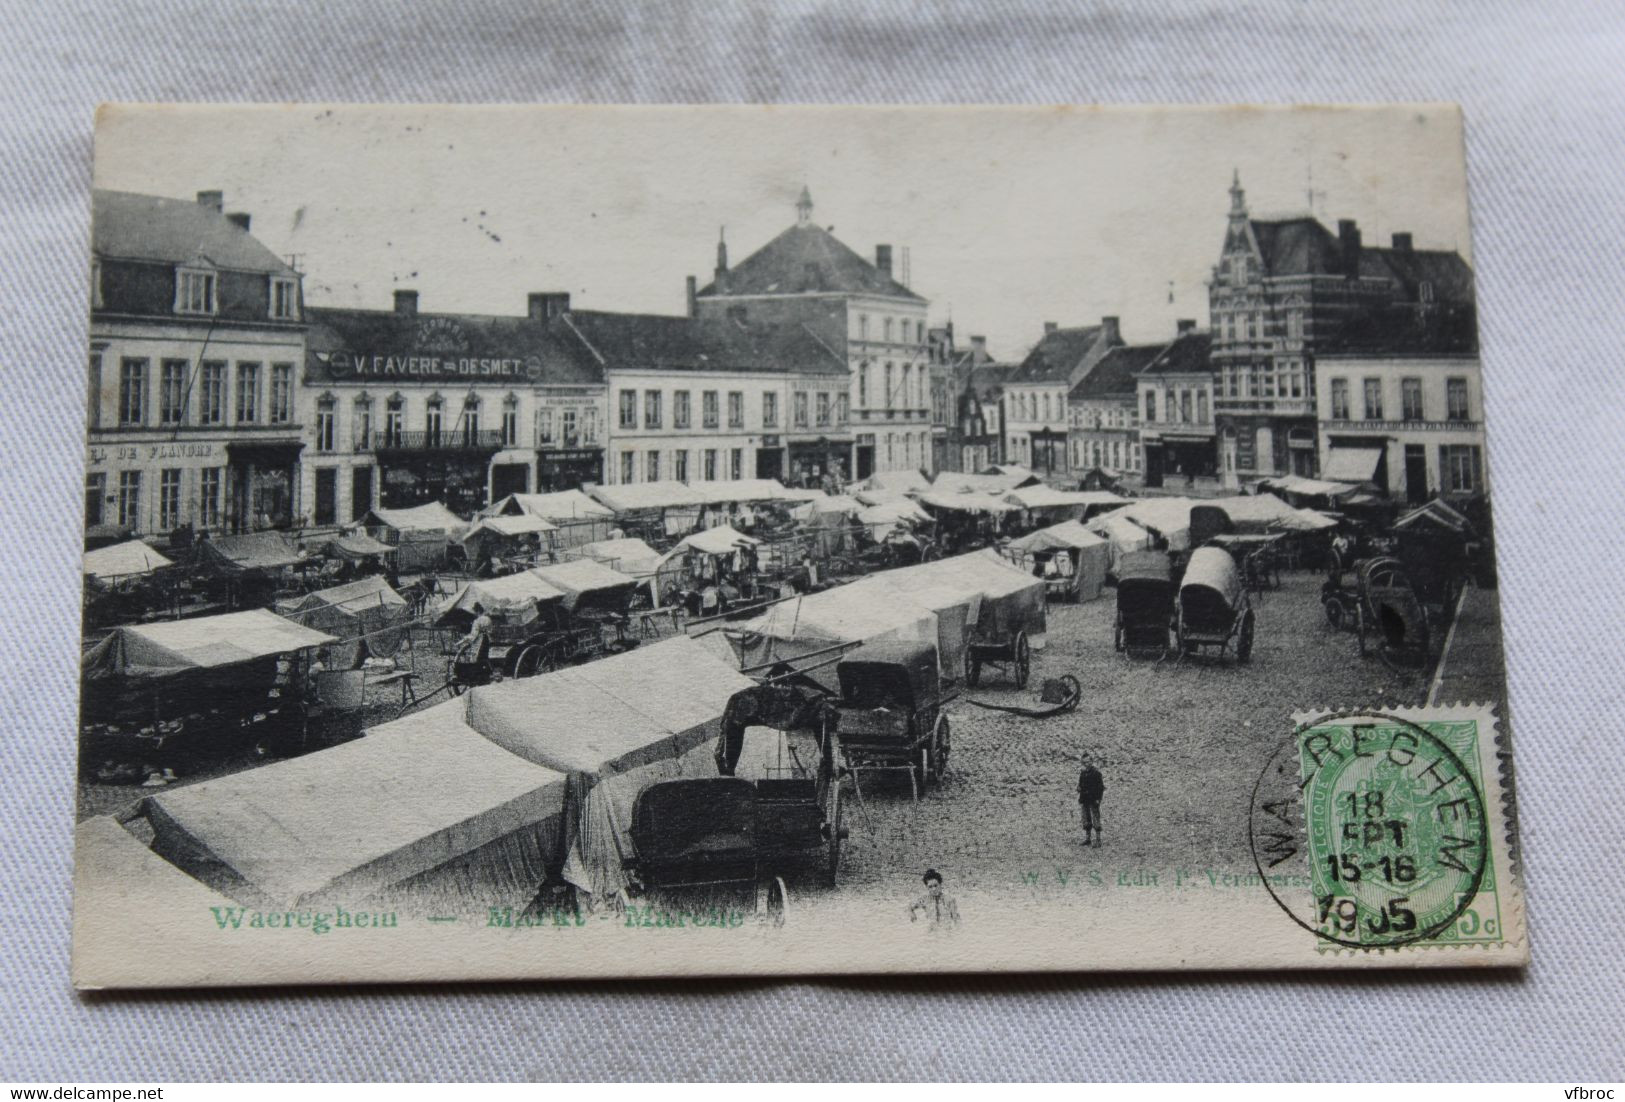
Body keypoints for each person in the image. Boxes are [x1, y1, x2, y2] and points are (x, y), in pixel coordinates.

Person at [1077, 755, 1105, 847]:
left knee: (1096, 818)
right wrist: (1079, 788)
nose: (1087, 764)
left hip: (1093, 799)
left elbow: (1100, 788)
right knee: (1086, 819)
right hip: (1085, 799)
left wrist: (1098, 799)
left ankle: (1098, 840)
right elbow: (1080, 785)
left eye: (1088, 762)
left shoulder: (1096, 773)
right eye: (1084, 762)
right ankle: (1088, 838)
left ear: (1092, 761)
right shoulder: (1083, 773)